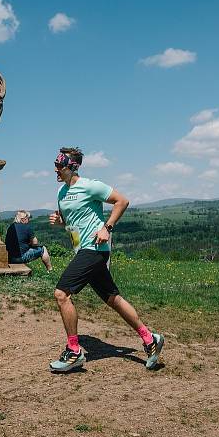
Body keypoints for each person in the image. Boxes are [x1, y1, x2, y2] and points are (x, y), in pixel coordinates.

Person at [47, 147, 164, 372]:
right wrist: (59, 221)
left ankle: (74, 351)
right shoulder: (62, 193)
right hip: (83, 249)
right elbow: (72, 221)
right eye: (55, 165)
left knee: (62, 294)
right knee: (113, 299)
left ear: (73, 166)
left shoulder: (91, 185)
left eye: (60, 165)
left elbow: (122, 201)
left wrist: (106, 228)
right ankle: (150, 339)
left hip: (94, 249)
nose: (56, 169)